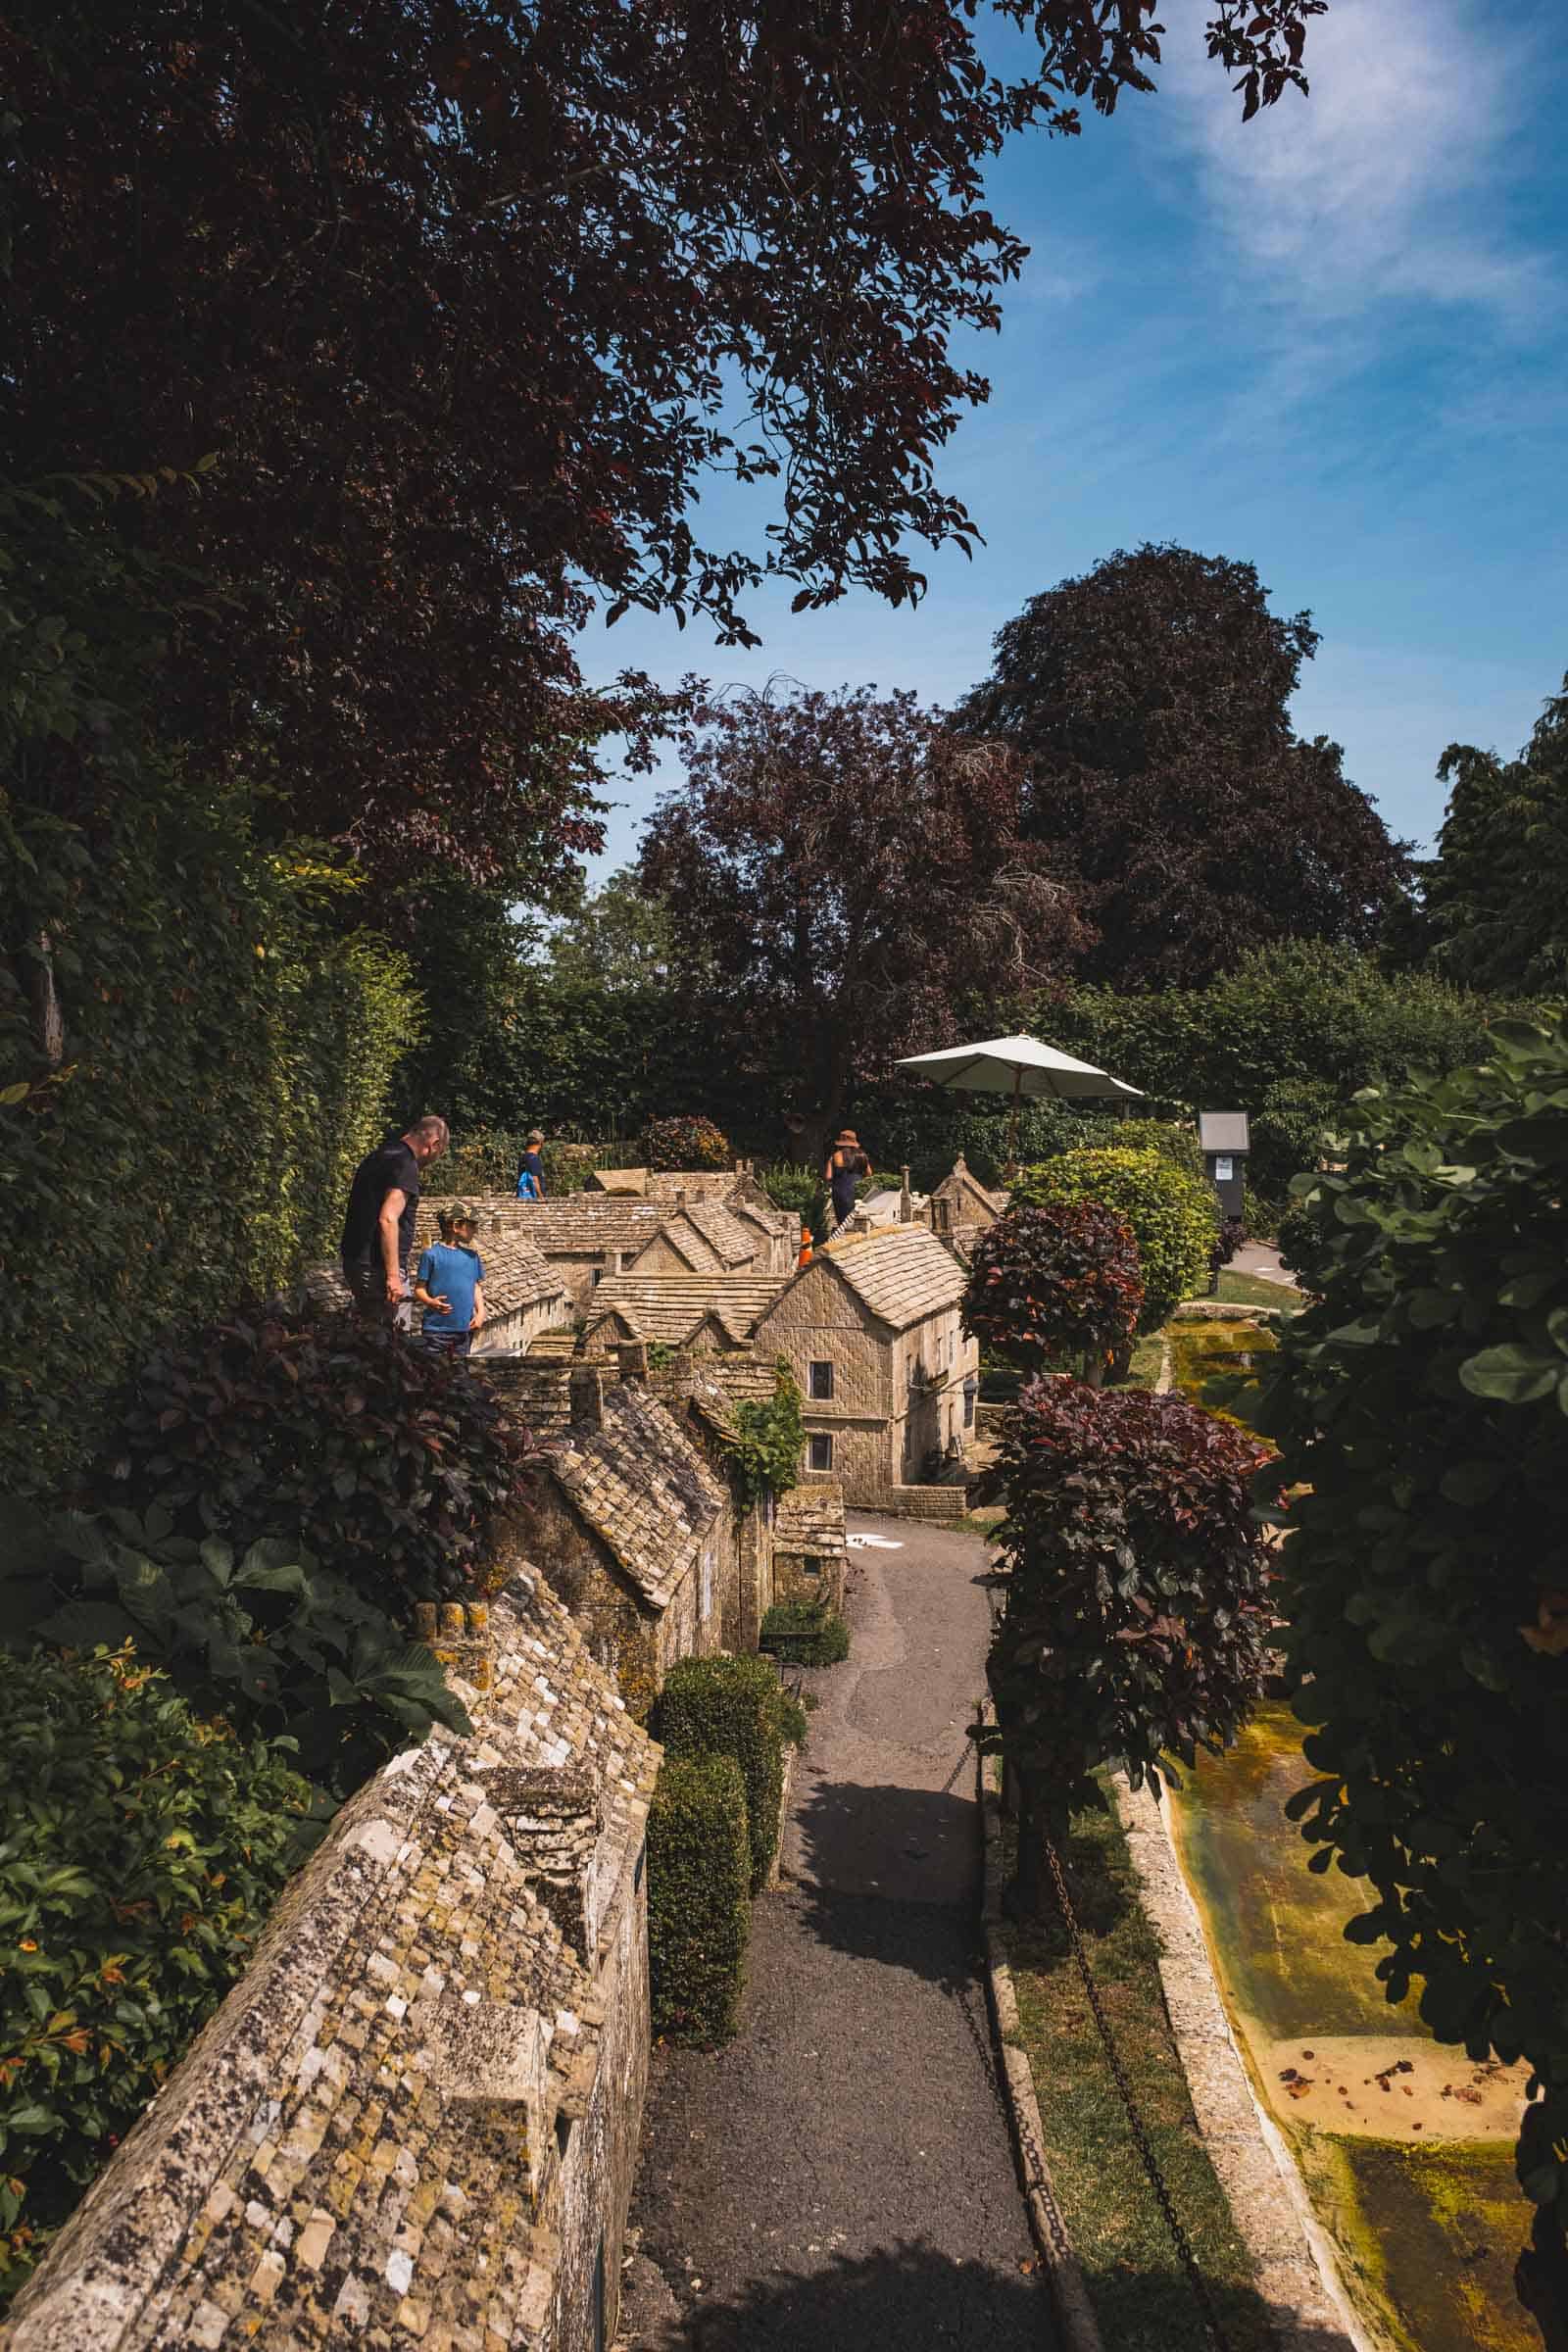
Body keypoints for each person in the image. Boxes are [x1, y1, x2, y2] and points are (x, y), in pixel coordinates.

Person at [340, 1114, 449, 1327]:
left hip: (355, 1260)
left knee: (370, 1334)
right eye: (440, 1153)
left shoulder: (378, 1156)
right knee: (393, 1342)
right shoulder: (405, 1164)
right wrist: (393, 1276)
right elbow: (388, 1218)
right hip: (378, 1268)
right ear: (434, 1144)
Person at [414, 1205, 486, 1356]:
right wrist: (430, 1302)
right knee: (434, 1374)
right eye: (472, 1225)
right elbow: (419, 1289)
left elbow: (475, 1286)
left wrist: (480, 1312)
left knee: (460, 1374)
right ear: (455, 1226)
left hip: (464, 1330)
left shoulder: (472, 1257)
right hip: (436, 1331)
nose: (475, 1230)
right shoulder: (431, 1255)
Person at [823, 1128, 872, 1239]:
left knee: (843, 1224)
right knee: (858, 1220)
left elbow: (828, 1176)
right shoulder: (862, 1156)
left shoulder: (835, 1156)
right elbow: (869, 1174)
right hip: (858, 1191)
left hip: (840, 1192)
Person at [515, 1127, 548, 1200]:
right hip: (533, 1197)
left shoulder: (523, 1157)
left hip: (523, 1194)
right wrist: (541, 1197)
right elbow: (534, 1179)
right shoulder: (534, 1158)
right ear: (540, 1143)